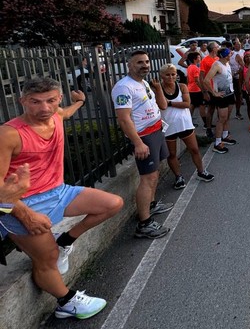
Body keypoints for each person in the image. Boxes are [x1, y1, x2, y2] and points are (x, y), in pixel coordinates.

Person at [1, 78, 123, 319]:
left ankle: (65, 239)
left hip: (59, 191)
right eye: (35, 102)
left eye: (51, 101)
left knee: (112, 204)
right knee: (47, 259)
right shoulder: (8, 134)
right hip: (23, 204)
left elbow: (64, 114)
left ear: (58, 100)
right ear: (22, 101)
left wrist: (79, 102)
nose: (44, 108)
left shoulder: (55, 115)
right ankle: (66, 302)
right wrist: (27, 215)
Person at [112, 50, 172, 240]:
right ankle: (144, 224)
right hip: (144, 136)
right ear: (129, 65)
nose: (145, 65)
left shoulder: (144, 82)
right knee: (147, 178)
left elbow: (161, 105)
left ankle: (151, 205)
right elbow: (123, 119)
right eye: (139, 62)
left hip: (156, 130)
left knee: (154, 175)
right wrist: (138, 143)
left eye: (146, 61)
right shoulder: (123, 87)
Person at [159, 64, 214, 189]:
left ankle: (201, 171)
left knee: (194, 149)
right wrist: (168, 102)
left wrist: (170, 103)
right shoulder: (159, 89)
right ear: (162, 76)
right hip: (168, 125)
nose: (171, 77)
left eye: (173, 74)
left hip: (184, 124)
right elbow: (161, 105)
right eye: (167, 74)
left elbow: (186, 104)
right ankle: (178, 177)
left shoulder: (182, 86)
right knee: (172, 154)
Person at [204, 48, 237, 153]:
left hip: (230, 94)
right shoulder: (217, 65)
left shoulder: (226, 64)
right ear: (222, 55)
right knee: (221, 119)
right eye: (227, 55)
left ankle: (225, 135)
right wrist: (214, 93)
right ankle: (217, 143)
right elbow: (206, 80)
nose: (229, 56)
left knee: (227, 117)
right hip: (221, 96)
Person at [186, 52, 207, 127]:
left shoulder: (189, 67)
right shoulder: (195, 68)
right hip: (197, 90)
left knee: (192, 106)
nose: (200, 58)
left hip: (190, 89)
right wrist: (203, 90)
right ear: (195, 59)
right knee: (202, 106)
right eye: (199, 57)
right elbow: (197, 80)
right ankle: (206, 124)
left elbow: (188, 78)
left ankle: (188, 122)